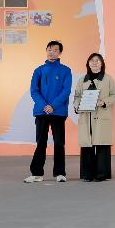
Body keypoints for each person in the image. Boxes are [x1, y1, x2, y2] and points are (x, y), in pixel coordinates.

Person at [24, 40, 72, 183]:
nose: (52, 52)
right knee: (41, 142)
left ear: (60, 53)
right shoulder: (39, 70)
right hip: (41, 111)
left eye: (55, 50)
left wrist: (53, 105)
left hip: (58, 111)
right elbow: (34, 91)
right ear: (46, 51)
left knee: (59, 142)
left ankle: (60, 173)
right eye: (49, 50)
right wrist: (44, 105)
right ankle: (37, 173)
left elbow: (66, 91)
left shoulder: (66, 70)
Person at [73, 53, 115, 182]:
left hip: (101, 116)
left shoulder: (108, 79)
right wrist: (77, 106)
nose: (94, 63)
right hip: (86, 116)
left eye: (97, 60)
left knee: (102, 145)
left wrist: (104, 102)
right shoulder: (82, 80)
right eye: (92, 60)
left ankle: (101, 174)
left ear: (102, 63)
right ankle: (87, 174)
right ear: (88, 63)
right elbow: (77, 96)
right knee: (87, 145)